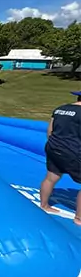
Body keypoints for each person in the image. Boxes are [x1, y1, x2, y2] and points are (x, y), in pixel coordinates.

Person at [40, 91, 81, 225]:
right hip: (74, 151)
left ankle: (44, 205)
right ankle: (79, 218)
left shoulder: (60, 109)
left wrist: (54, 145)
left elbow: (50, 131)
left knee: (51, 177)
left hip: (53, 147)